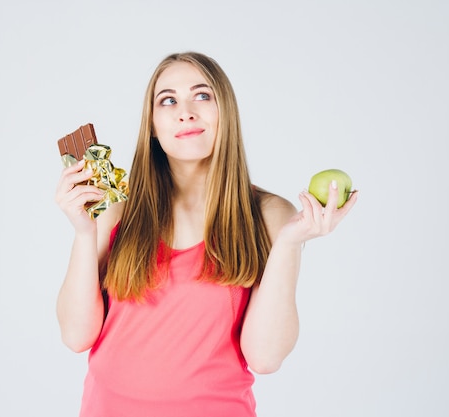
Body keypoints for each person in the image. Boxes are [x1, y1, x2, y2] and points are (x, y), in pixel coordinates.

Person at [54, 51, 358, 417]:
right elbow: (76, 336)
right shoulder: (118, 206)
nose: (186, 111)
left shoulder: (268, 216)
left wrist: (289, 244)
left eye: (202, 95)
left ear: (225, 112)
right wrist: (84, 234)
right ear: (152, 124)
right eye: (168, 100)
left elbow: (264, 357)